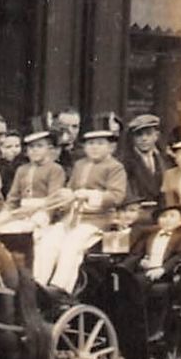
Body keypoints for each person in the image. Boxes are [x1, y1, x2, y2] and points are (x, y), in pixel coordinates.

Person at [32, 114, 129, 294]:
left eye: (100, 143)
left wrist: (91, 195)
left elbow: (117, 196)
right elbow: (70, 189)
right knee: (49, 240)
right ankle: (38, 283)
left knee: (72, 245)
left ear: (110, 146)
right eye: (90, 143)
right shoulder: (79, 165)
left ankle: (60, 288)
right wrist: (65, 196)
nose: (94, 148)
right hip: (72, 218)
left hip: (97, 221)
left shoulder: (115, 167)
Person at [6, 119, 67, 210]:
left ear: (49, 149)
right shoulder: (21, 170)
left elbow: (54, 199)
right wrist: (6, 211)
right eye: (31, 147)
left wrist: (45, 214)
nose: (34, 150)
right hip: (21, 213)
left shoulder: (55, 169)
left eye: (39, 146)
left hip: (45, 213)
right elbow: (13, 198)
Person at [121, 114, 166, 204]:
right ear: (133, 138)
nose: (144, 139)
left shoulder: (165, 158)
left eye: (148, 134)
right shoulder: (125, 162)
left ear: (156, 136)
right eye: (139, 135)